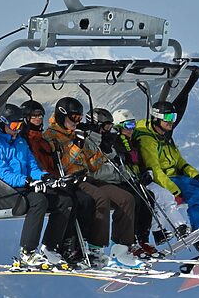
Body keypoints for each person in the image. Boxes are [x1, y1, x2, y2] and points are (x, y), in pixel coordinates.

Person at [43, 97, 145, 269]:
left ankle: (122, 249)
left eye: (79, 118)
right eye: (74, 118)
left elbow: (91, 164)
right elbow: (64, 165)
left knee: (127, 199)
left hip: (87, 176)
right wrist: (77, 145)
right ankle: (95, 248)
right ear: (62, 116)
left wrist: (103, 150)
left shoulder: (75, 133)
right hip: (71, 179)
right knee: (100, 199)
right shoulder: (51, 136)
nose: (77, 122)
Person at [0, 103, 74, 266]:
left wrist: (45, 177)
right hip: (8, 188)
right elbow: (2, 172)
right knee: (39, 201)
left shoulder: (20, 142)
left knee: (65, 201)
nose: (18, 129)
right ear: (3, 123)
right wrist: (27, 181)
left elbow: (32, 166)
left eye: (20, 125)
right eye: (14, 125)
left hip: (25, 184)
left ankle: (49, 247)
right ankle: (27, 251)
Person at [134, 101, 199, 250]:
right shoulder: (148, 140)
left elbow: (179, 161)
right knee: (197, 194)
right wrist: (175, 191)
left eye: (173, 116)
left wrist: (195, 174)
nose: (171, 121)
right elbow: (154, 169)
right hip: (165, 180)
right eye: (167, 117)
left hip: (177, 177)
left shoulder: (165, 136)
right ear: (157, 117)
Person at [20, 99, 95, 265]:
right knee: (71, 199)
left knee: (78, 200)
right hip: (37, 182)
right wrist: (46, 178)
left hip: (52, 179)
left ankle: (67, 246)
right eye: (34, 116)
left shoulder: (41, 139)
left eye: (41, 115)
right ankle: (60, 246)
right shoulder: (28, 140)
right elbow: (35, 165)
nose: (39, 119)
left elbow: (57, 163)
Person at [112, 108, 189, 251]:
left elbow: (139, 161)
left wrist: (146, 172)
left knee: (166, 195)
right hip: (130, 181)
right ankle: (156, 231)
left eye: (133, 125)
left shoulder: (133, 142)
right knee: (152, 198)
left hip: (141, 179)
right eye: (128, 126)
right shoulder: (117, 143)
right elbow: (122, 165)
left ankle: (180, 227)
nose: (131, 129)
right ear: (118, 127)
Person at [84, 108, 155, 256]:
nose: (108, 129)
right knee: (129, 199)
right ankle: (122, 244)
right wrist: (119, 173)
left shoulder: (107, 139)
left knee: (146, 195)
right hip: (98, 181)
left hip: (113, 179)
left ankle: (142, 238)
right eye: (106, 126)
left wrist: (129, 176)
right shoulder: (88, 141)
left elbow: (117, 161)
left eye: (110, 126)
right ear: (97, 125)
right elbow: (95, 170)